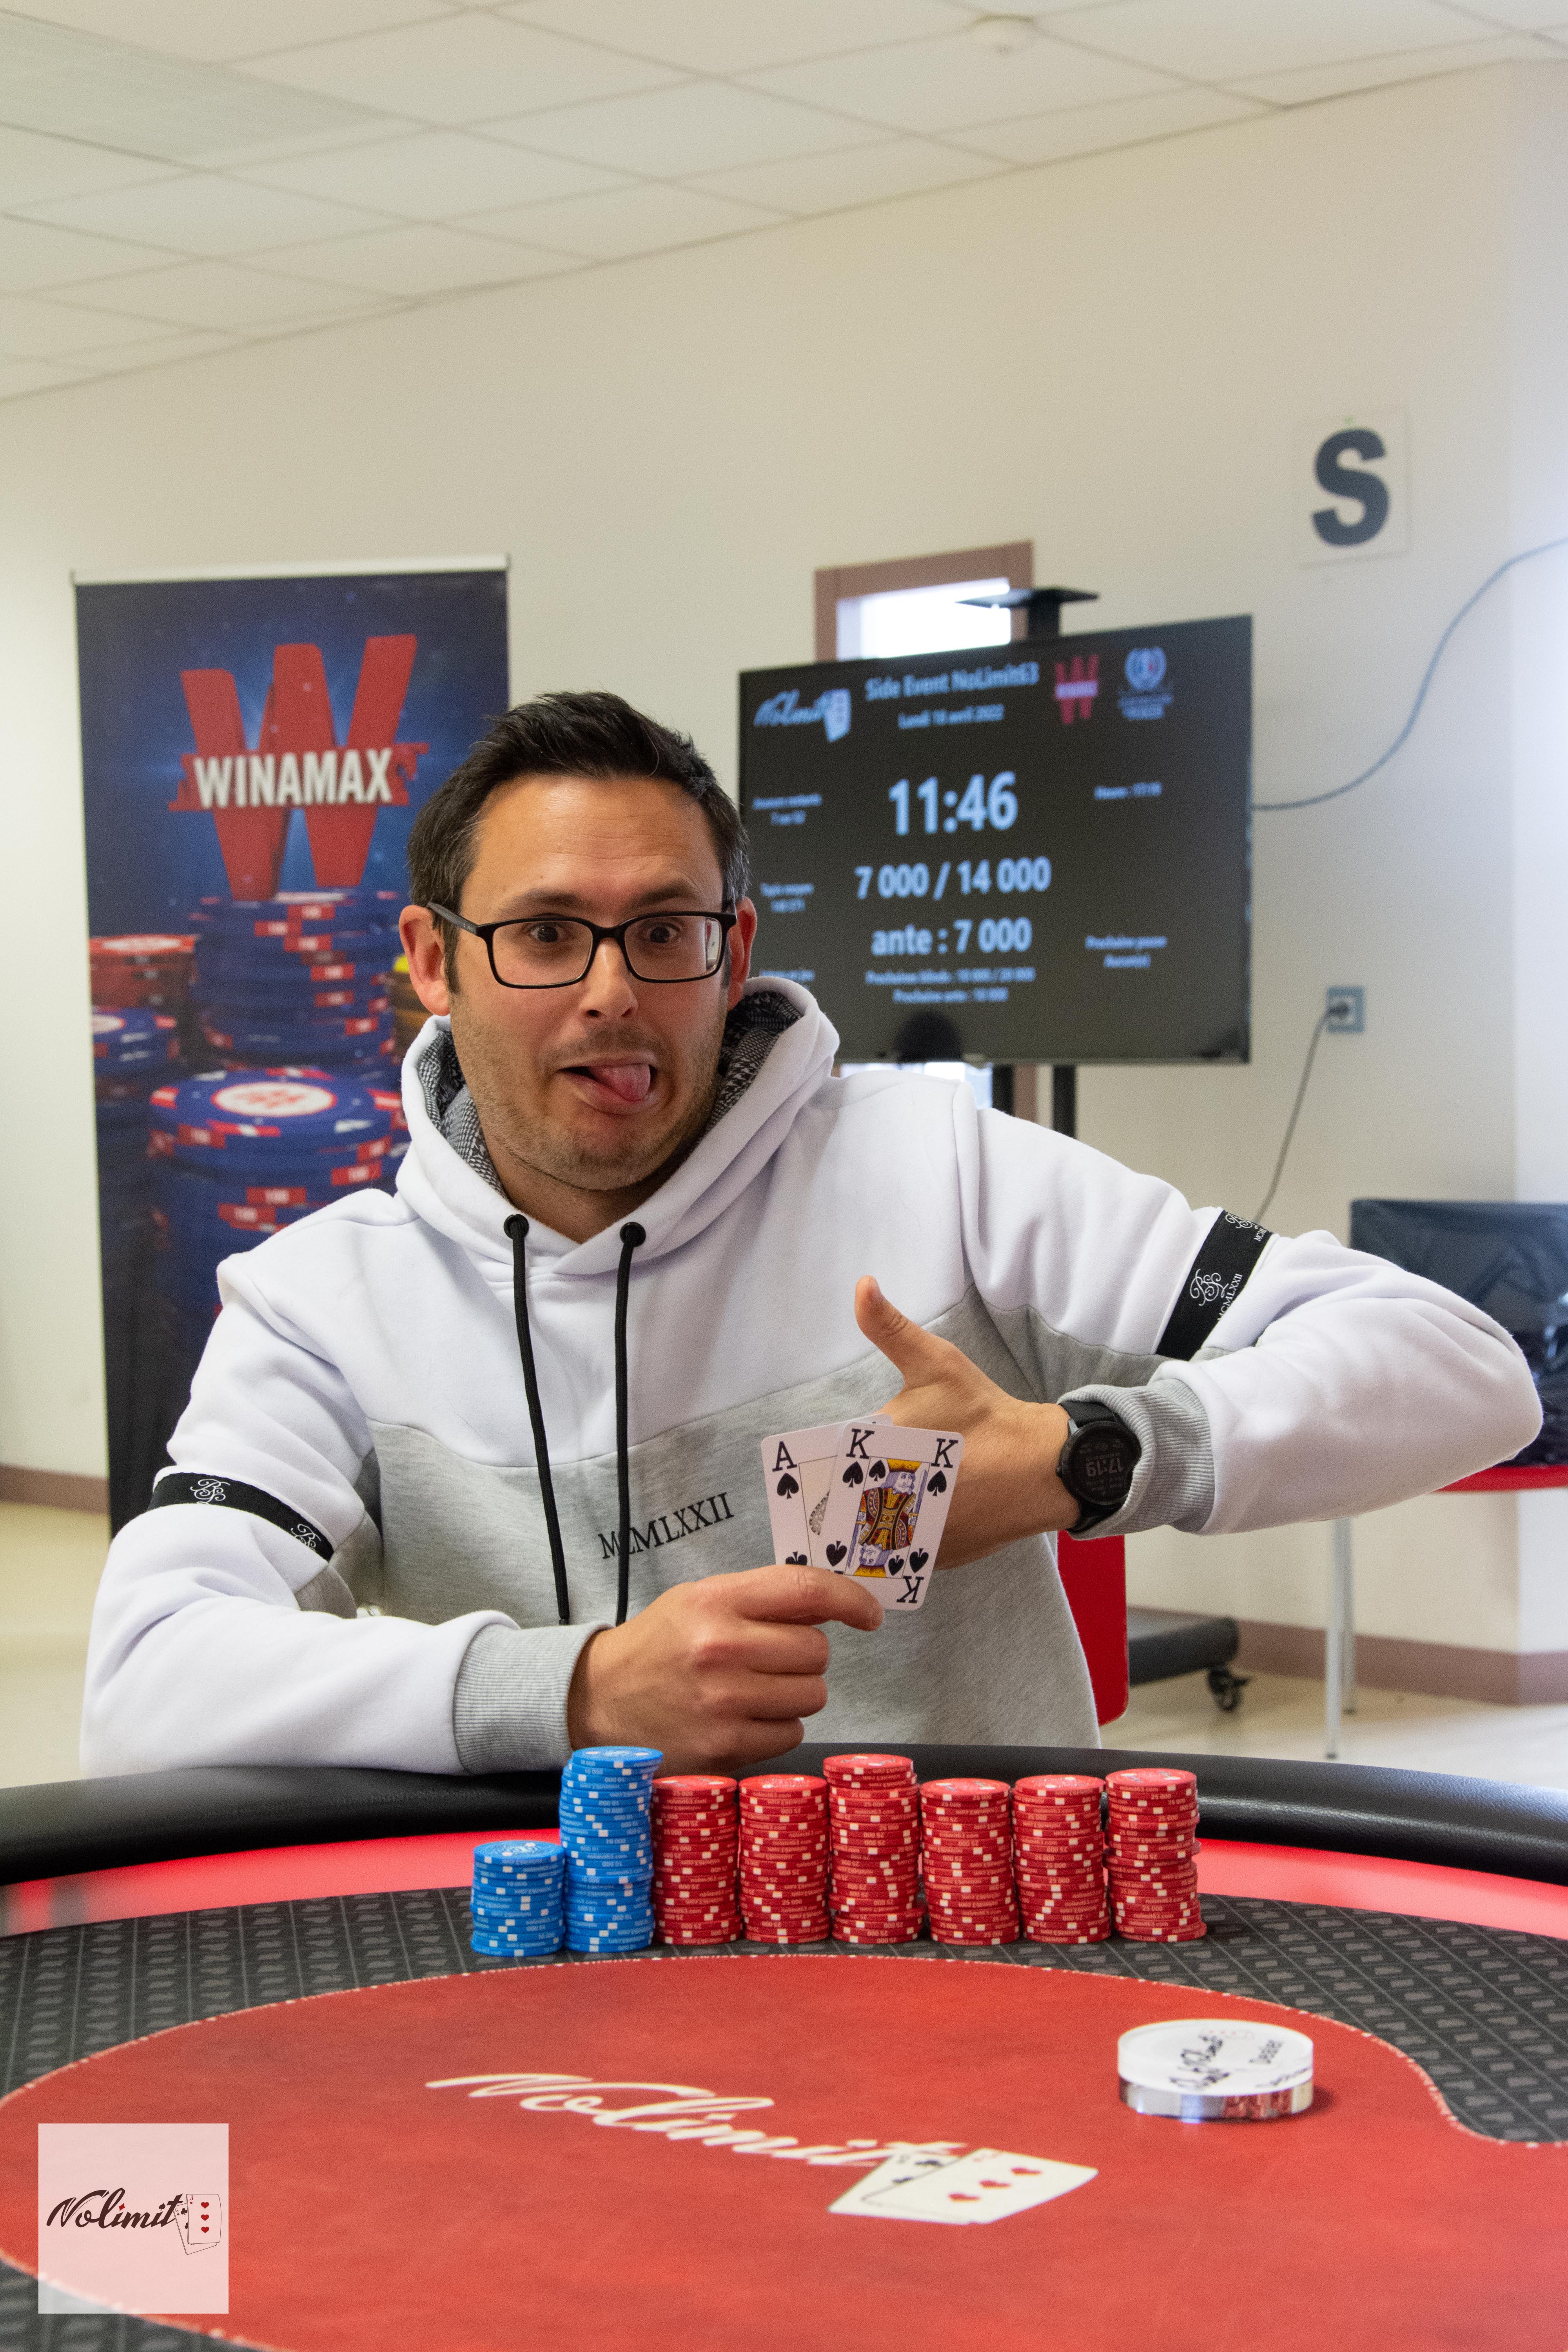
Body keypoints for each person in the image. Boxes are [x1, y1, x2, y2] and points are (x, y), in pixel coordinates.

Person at [83, 691, 1541, 1777]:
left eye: (665, 930)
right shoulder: (322, 1301)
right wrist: (577, 1691)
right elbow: (144, 1683)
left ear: (735, 954)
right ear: (432, 962)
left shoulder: (936, 1171)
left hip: (967, 1970)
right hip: (556, 1991)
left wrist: (1080, 1457)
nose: (612, 992)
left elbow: (1458, 1365)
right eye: (545, 934)